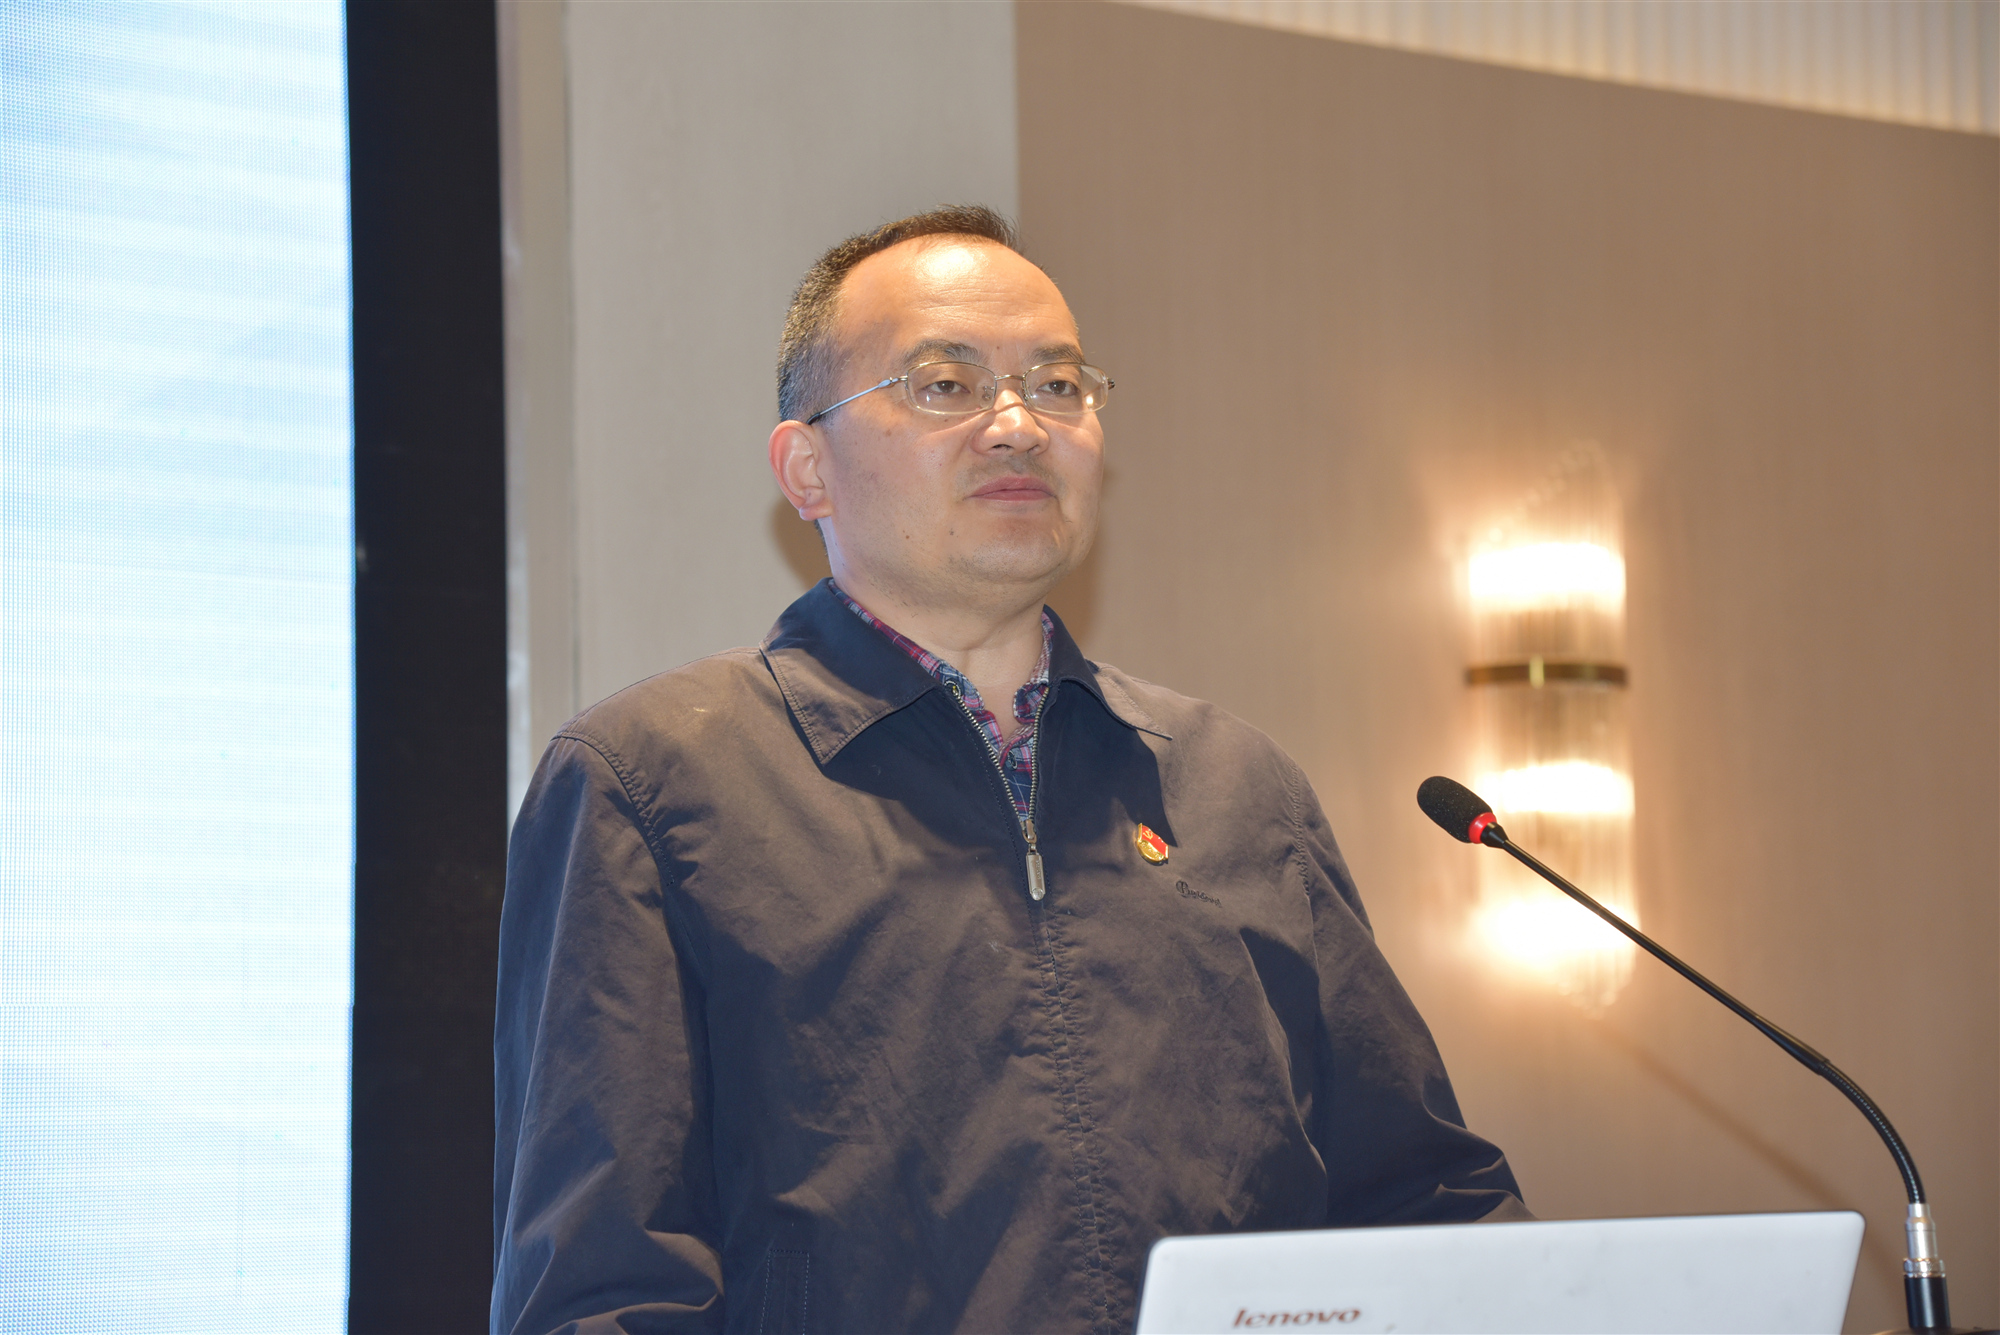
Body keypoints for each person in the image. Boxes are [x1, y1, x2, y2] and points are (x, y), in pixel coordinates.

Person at [491, 205, 1526, 1335]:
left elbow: (1425, 1208)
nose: (1019, 426)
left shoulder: (1235, 787)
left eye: (1059, 385)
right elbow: (604, 1290)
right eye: (945, 385)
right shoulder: (652, 782)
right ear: (807, 468)